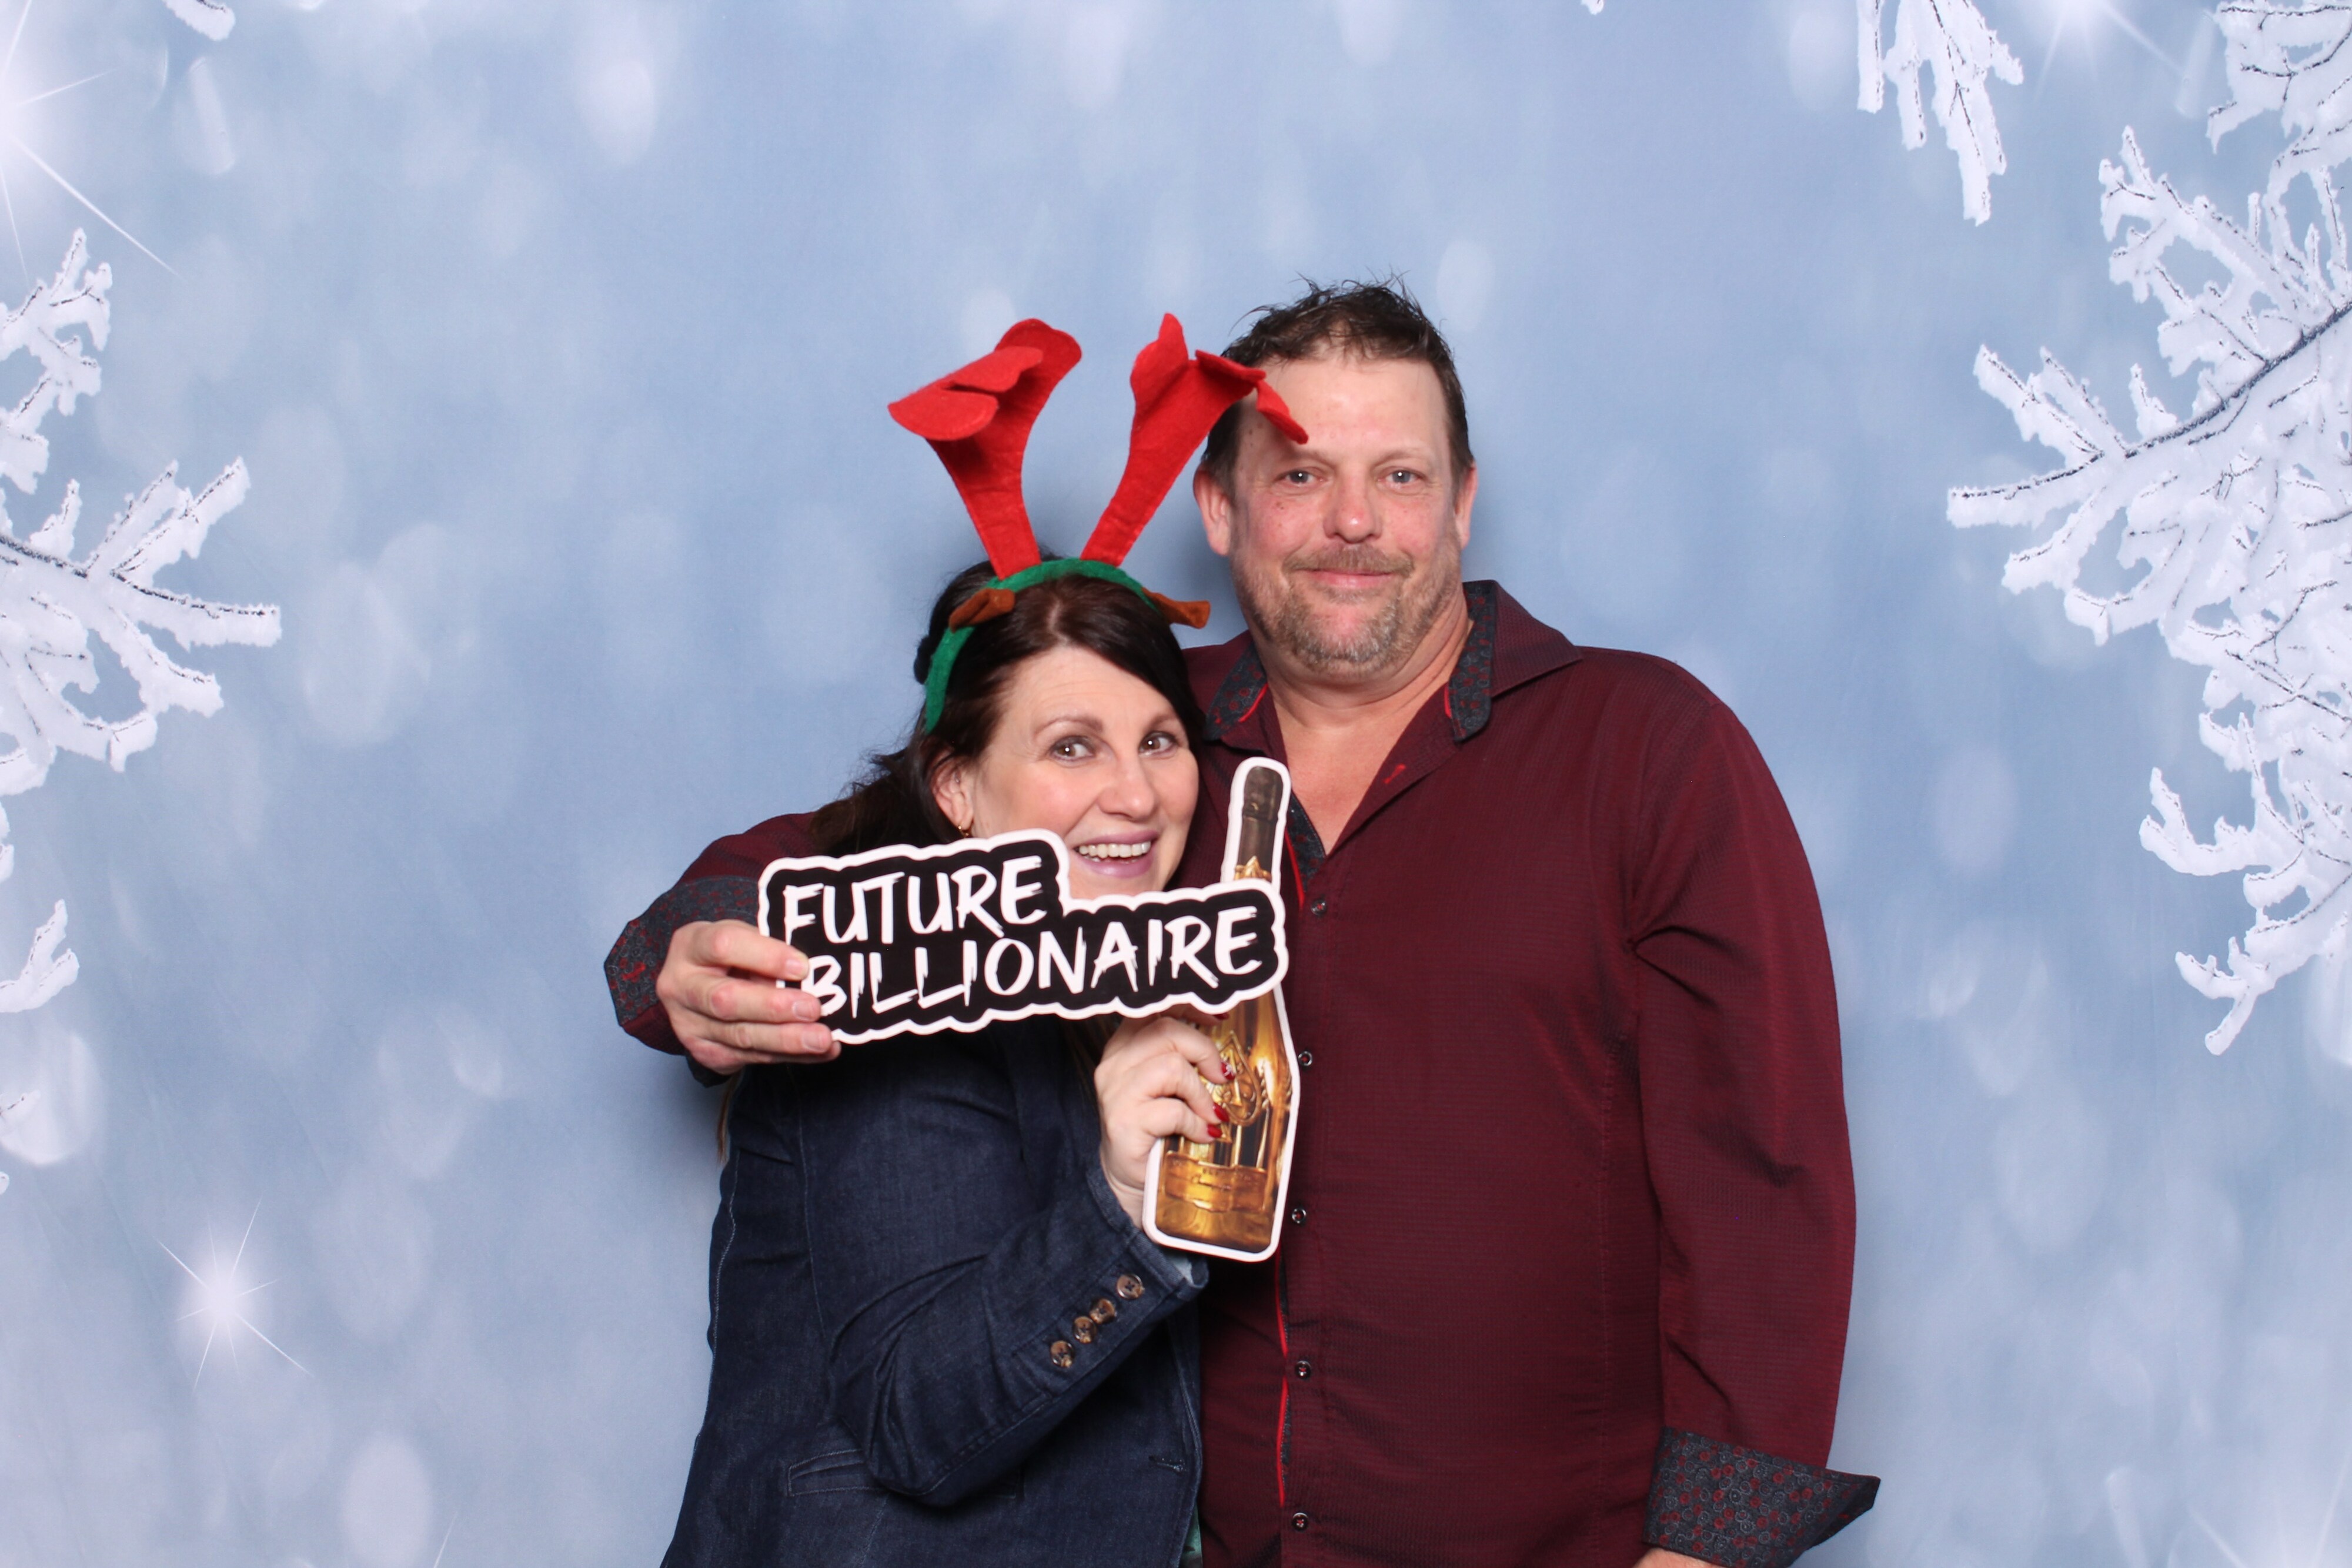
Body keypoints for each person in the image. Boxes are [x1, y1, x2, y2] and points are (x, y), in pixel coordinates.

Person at [614, 285, 1877, 1568]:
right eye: (1301, 474)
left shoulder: (1646, 751)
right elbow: (879, 835)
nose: (1351, 520)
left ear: (1461, 501)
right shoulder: (1140, 748)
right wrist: (691, 949)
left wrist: (1704, 1553)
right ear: (1218, 508)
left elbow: (1764, 1176)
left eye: (1398, 474)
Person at [623, 319, 1302, 1566]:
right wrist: (1123, 1207)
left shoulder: (1131, 967)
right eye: (1070, 746)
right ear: (955, 789)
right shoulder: (881, 995)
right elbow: (917, 1419)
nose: (1135, 794)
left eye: (1159, 740)